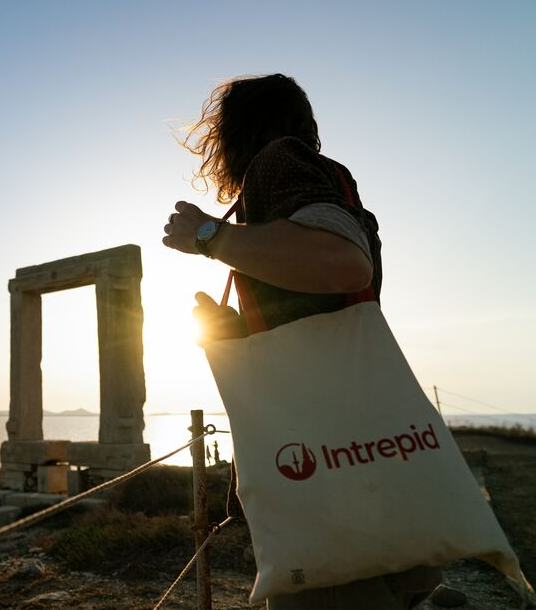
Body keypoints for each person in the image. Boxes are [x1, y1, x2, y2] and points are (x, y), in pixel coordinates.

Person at [163, 73, 440, 610]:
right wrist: (235, 329)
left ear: (234, 133)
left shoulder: (277, 162)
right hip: (374, 452)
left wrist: (208, 235)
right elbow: (326, 302)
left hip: (328, 473)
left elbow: (343, 263)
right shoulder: (328, 181)